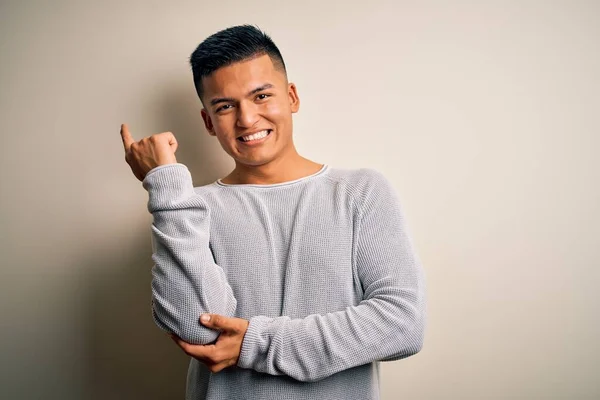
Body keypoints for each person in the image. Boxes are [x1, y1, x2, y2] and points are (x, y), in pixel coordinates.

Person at [120, 24, 426, 400]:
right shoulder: (186, 208)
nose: (247, 119)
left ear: (292, 96)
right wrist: (164, 183)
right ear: (207, 123)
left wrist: (254, 342)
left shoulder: (361, 192)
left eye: (261, 96)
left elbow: (401, 323)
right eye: (225, 106)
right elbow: (197, 331)